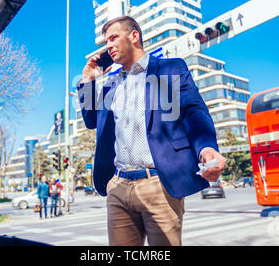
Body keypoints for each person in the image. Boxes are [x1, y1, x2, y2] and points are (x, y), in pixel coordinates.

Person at [77, 16, 226, 246]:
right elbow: (90, 120)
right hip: (118, 185)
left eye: (114, 38)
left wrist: (206, 148)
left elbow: (192, 110)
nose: (108, 46)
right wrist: (88, 79)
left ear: (134, 36)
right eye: (106, 42)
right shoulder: (110, 84)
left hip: (158, 185)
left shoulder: (170, 68)